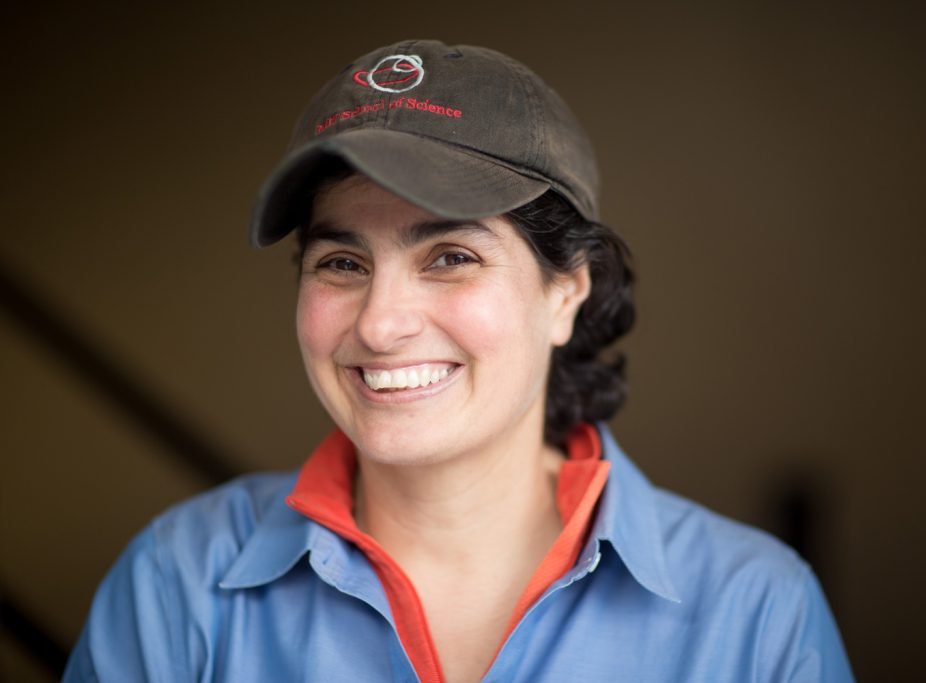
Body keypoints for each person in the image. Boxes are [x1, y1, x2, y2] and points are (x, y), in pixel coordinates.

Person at [63, 40, 854, 682]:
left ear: (566, 293)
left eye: (449, 256)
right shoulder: (180, 580)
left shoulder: (752, 608)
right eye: (341, 263)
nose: (380, 324)